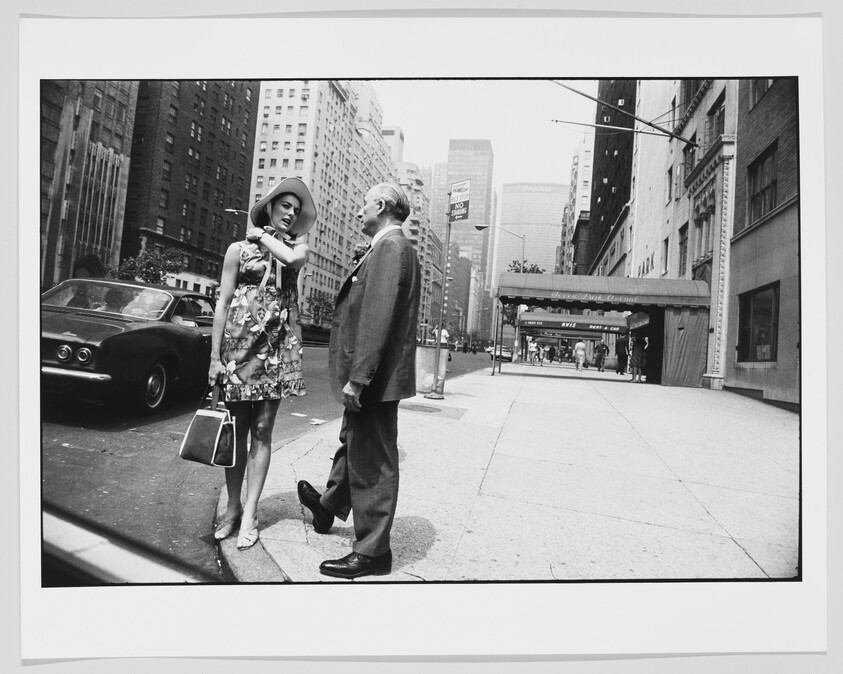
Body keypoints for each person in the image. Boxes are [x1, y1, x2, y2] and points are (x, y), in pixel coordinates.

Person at [297, 183, 420, 579]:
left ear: (381, 206)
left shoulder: (390, 249)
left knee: (374, 461)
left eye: (363, 204)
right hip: (376, 375)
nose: (357, 211)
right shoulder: (388, 248)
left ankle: (372, 552)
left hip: (376, 377)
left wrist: (359, 379)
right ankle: (330, 506)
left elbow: (376, 319)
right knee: (354, 441)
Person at [208, 177, 315, 550]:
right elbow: (222, 303)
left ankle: (251, 513)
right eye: (284, 206)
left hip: (276, 350)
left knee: (263, 430)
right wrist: (214, 358)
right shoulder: (237, 250)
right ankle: (233, 508)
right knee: (235, 432)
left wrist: (261, 236)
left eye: (296, 211)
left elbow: (292, 259)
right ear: (269, 206)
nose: (290, 214)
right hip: (239, 348)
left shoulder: (294, 247)